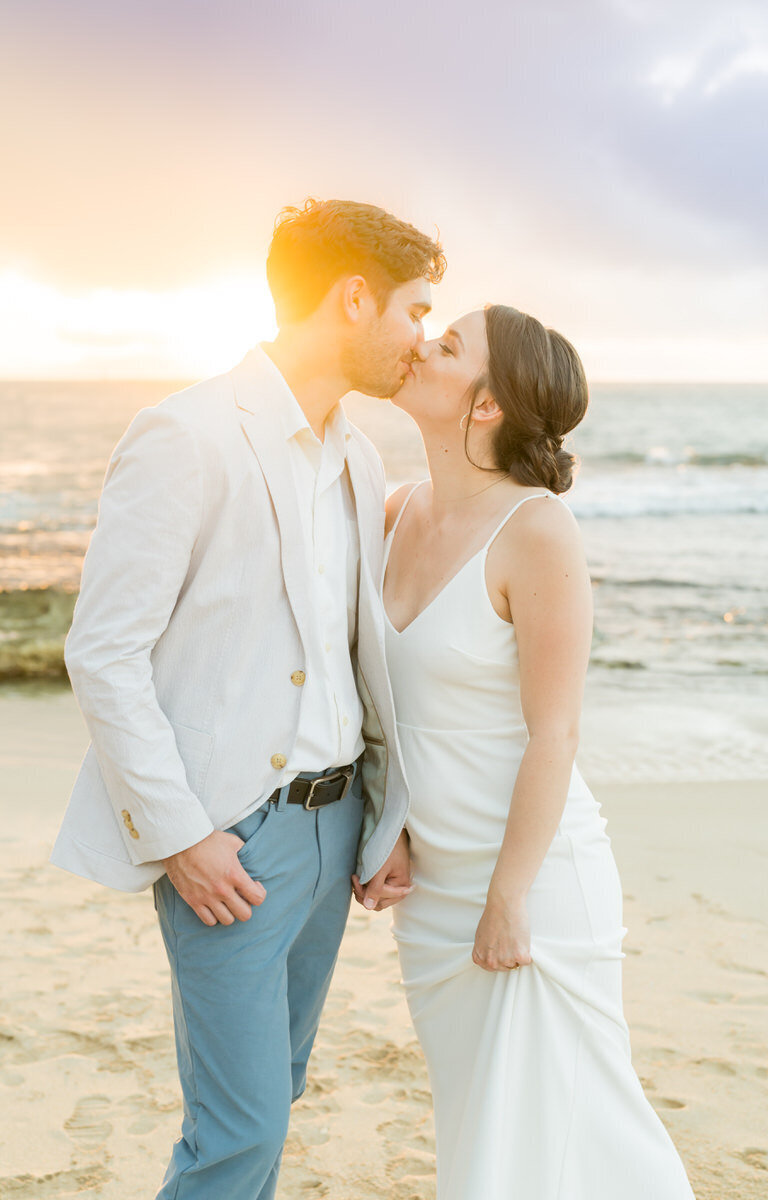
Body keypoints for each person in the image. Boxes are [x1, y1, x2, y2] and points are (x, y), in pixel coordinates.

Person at [51, 198, 444, 1199]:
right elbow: (103, 651)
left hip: (334, 827)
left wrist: (382, 814)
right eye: (414, 311)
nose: (420, 341)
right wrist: (182, 835)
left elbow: (354, 658)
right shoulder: (183, 433)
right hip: (231, 841)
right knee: (237, 1135)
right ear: (352, 298)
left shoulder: (358, 455)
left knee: (277, 1094)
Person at [354, 305, 696, 1197]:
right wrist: (387, 820)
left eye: (450, 345)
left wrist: (509, 895)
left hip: (534, 883)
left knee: (585, 1126)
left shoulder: (537, 532)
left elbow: (558, 731)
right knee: (485, 1136)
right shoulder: (393, 511)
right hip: (434, 893)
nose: (422, 345)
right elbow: (380, 704)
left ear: (486, 406)